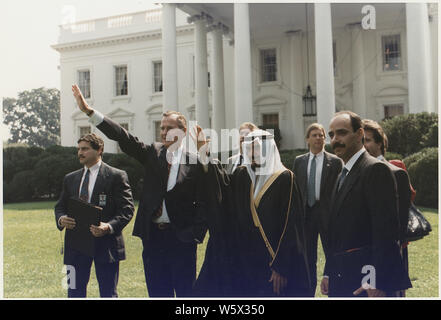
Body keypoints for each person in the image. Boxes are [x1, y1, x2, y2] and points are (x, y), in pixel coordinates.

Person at [72, 84, 207, 297]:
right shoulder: (153, 153)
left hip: (182, 240)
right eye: (161, 128)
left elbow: (204, 202)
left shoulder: (196, 162)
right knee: (157, 293)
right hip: (153, 239)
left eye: (168, 128)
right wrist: (90, 112)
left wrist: (195, 235)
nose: (162, 132)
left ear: (182, 132)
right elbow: (123, 137)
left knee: (185, 294)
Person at [194, 127, 310, 297]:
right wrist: (205, 154)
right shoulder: (242, 175)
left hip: (273, 261)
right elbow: (222, 194)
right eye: (248, 149)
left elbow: (291, 228)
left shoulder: (285, 178)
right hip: (245, 260)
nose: (252, 153)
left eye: (257, 148)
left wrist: (281, 267)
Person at [320, 111, 410, 298]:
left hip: (365, 284)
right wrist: (329, 272)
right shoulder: (341, 174)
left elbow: (385, 233)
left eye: (342, 133)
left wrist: (376, 281)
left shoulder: (375, 169)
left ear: (360, 134)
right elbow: (337, 233)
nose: (335, 139)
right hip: (342, 279)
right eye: (332, 135)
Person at [55, 133, 134, 298]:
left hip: (106, 244)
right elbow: (60, 206)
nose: (80, 153)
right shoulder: (70, 178)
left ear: (100, 150)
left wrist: (109, 227)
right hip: (75, 245)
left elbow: (127, 210)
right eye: (78, 149)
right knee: (74, 291)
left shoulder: (116, 176)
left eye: (85, 149)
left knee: (108, 293)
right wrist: (61, 219)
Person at [362, 119, 413, 296]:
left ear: (380, 143)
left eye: (367, 140)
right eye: (361, 141)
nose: (364, 145)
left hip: (390, 251)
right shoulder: (358, 173)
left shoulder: (396, 172)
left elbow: (399, 224)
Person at [292, 123, 343, 296]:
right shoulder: (299, 162)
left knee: (332, 252)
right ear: (307, 139)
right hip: (306, 215)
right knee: (307, 257)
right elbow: (295, 190)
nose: (318, 138)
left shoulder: (335, 162)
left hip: (327, 214)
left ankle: (333, 288)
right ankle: (308, 291)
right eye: (314, 135)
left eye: (321, 135)